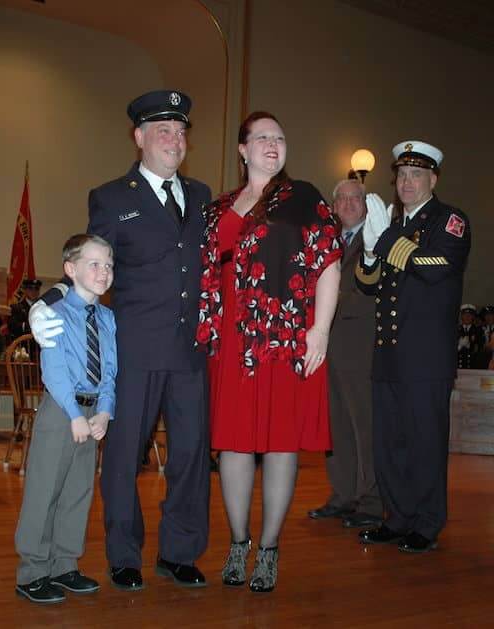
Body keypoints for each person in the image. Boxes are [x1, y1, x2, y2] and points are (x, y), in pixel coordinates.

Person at [29, 90, 212, 590]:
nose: (174, 141)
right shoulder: (111, 197)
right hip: (133, 349)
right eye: (162, 131)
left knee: (192, 455)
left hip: (191, 349)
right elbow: (91, 263)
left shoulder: (201, 196)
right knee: (125, 455)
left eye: (180, 132)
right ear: (139, 138)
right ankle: (124, 554)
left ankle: (179, 551)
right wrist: (50, 300)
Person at [197, 111, 342, 592]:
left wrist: (319, 331)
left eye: (280, 137)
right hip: (233, 341)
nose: (273, 144)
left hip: (285, 338)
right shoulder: (217, 207)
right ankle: (239, 542)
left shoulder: (302, 198)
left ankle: (270, 547)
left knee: (280, 443)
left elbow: (328, 264)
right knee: (234, 442)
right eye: (262, 137)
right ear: (242, 149)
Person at [356, 140, 470, 553]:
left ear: (433, 179)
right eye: (401, 175)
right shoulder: (392, 223)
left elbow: (436, 268)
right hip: (388, 355)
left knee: (424, 443)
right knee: (390, 444)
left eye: (416, 175)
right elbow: (368, 284)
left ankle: (426, 522)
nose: (406, 182)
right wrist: (369, 252)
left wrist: (384, 241)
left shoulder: (449, 219)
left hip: (425, 358)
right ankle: (398, 516)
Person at [15, 234, 116, 605]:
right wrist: (75, 415)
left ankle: (64, 563)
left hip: (92, 413)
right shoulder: (53, 313)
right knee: (45, 489)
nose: (104, 272)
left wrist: (105, 410)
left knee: (78, 490)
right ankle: (32, 571)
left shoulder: (107, 317)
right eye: (94, 264)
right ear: (70, 269)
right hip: (62, 410)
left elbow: (110, 370)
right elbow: (54, 370)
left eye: (108, 265)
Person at [308, 179, 382, 529]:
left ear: (366, 205)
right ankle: (343, 495)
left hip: (359, 347)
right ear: (333, 206)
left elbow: (372, 293)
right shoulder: (327, 243)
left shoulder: (378, 240)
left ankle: (370, 500)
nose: (350, 204)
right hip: (328, 348)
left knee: (363, 425)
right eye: (343, 199)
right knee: (334, 426)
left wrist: (324, 302)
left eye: (357, 198)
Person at [457, 304, 483, 369]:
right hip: (457, 367)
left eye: (470, 315)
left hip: (473, 367)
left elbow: (481, 349)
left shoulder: (479, 330)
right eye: (465, 314)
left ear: (473, 317)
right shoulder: (455, 330)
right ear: (461, 316)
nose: (467, 317)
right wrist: (459, 347)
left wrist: (470, 346)